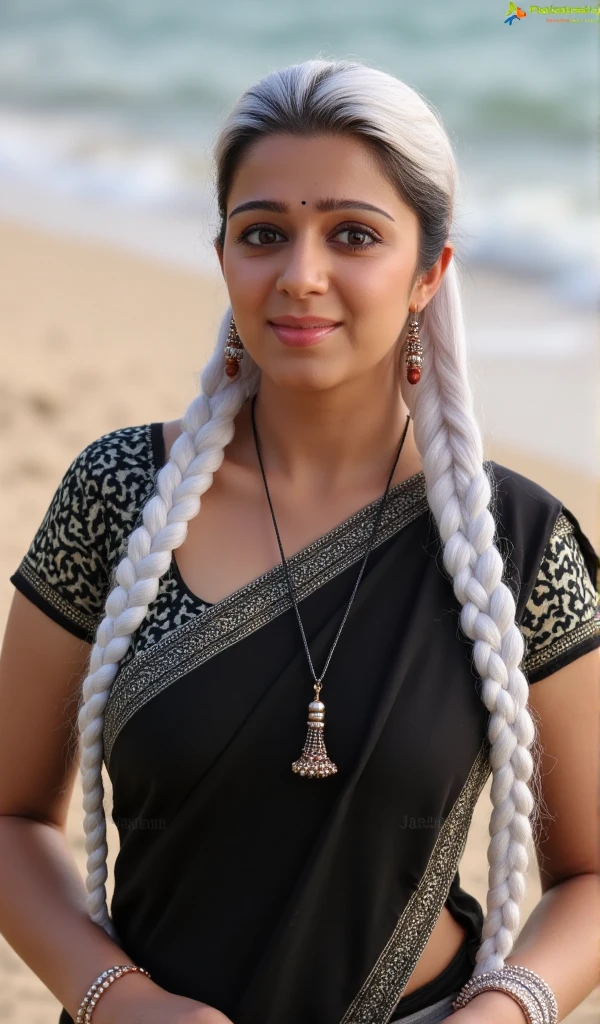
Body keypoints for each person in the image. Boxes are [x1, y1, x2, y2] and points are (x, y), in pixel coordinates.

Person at [0, 56, 598, 1024]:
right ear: (224, 253)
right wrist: (123, 1002)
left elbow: (593, 873)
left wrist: (508, 1009)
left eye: (353, 235)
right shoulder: (120, 493)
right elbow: (11, 812)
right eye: (263, 233)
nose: (300, 276)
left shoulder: (515, 542)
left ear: (429, 272)